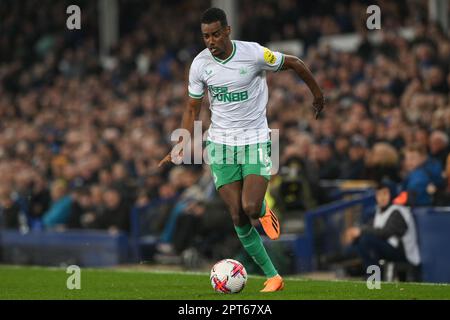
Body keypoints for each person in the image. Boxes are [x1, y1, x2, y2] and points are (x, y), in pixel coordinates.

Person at [158, 8, 324, 292]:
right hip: (220, 145)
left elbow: (295, 63)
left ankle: (262, 209)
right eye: (205, 36)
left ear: (228, 31)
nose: (210, 41)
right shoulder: (200, 65)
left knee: (249, 207)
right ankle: (274, 277)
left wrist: (318, 95)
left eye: (215, 34)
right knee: (236, 214)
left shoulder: (254, 54)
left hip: (256, 139)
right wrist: (183, 140)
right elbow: (192, 107)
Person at [343, 181, 421, 278]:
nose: (382, 197)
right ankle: (366, 275)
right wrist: (355, 233)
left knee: (366, 240)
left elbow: (385, 233)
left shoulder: (398, 210)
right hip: (390, 248)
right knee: (359, 241)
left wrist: (361, 231)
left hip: (404, 253)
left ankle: (374, 279)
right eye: (379, 194)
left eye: (385, 193)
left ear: (391, 194)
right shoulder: (380, 211)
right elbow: (370, 228)